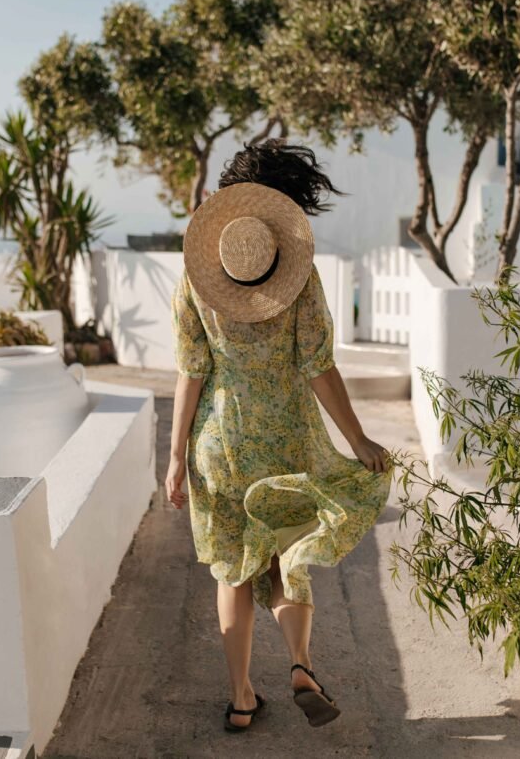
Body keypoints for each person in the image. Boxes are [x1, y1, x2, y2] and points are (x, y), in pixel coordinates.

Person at [166, 139, 392, 732]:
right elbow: (320, 366)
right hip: (286, 436)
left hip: (218, 443)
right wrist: (359, 440)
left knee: (232, 573)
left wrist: (172, 459)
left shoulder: (196, 275)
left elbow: (190, 371)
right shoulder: (298, 278)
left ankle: (242, 699)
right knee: (284, 558)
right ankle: (300, 664)